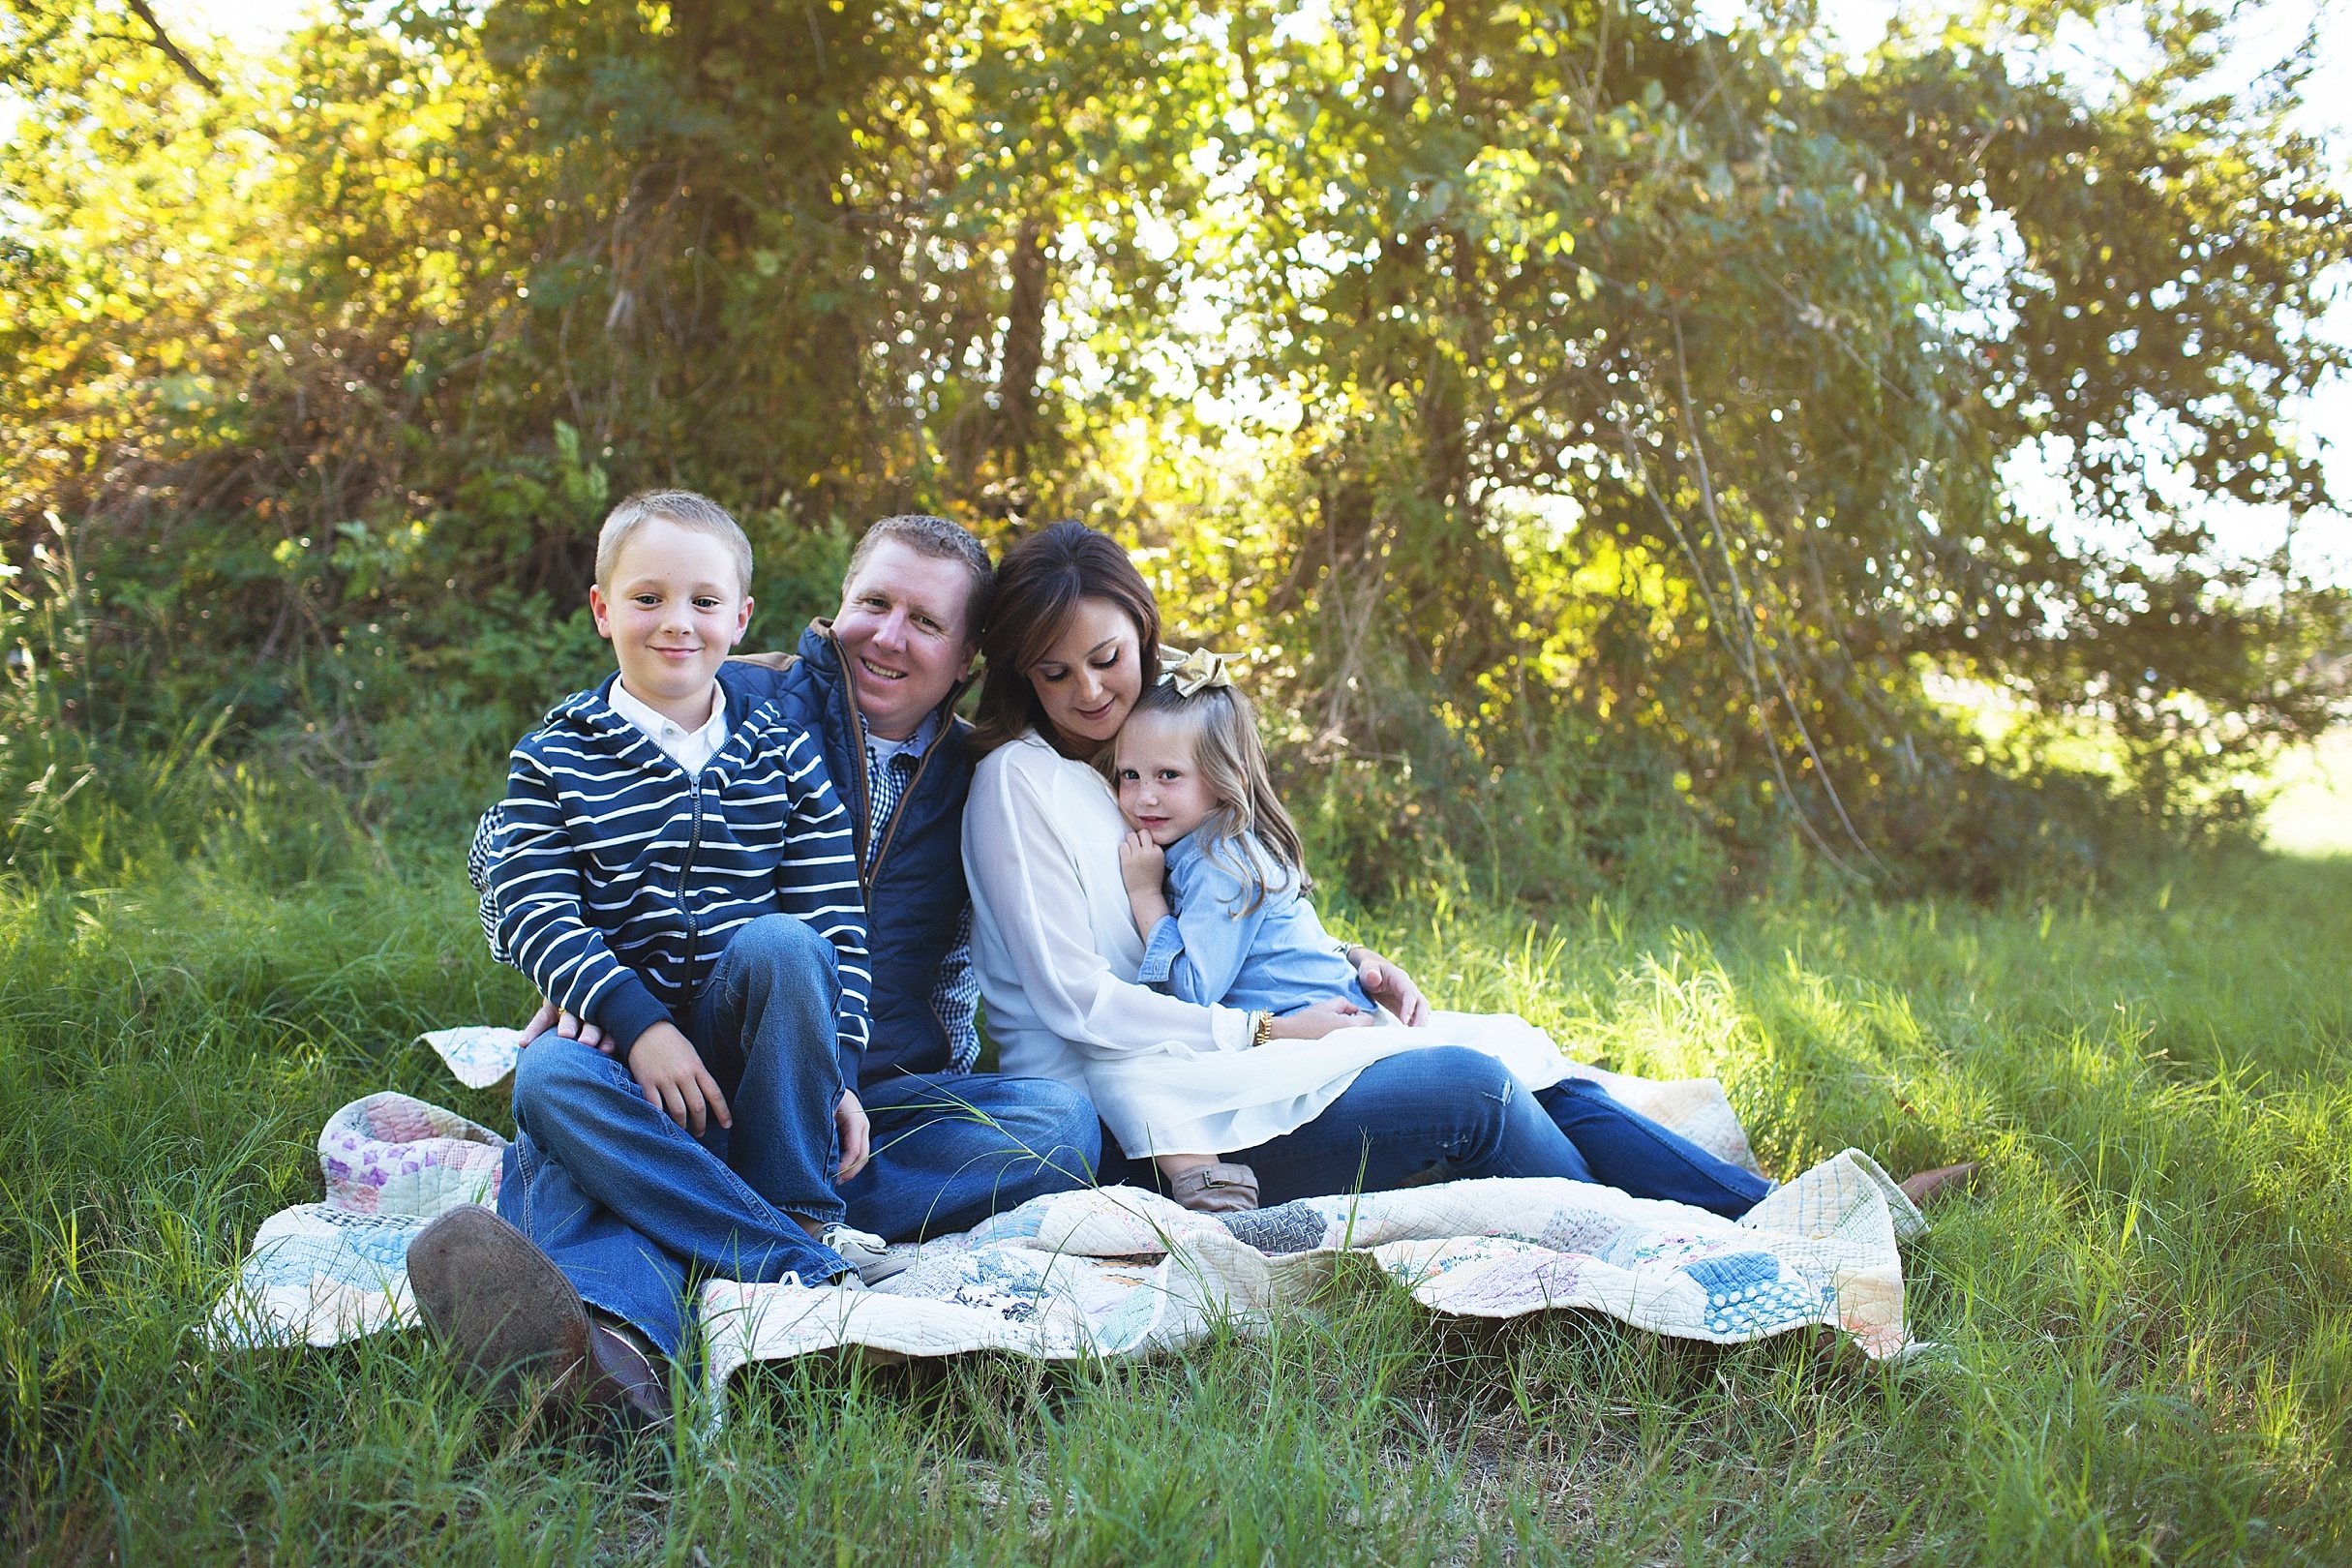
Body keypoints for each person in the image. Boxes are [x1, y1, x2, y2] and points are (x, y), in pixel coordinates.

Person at [958, 521, 1778, 1217]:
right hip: (1145, 1126)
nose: (1090, 691)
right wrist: (1267, 1028)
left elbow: (1218, 909)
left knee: (1530, 1066)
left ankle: (1772, 1212)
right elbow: (1079, 1003)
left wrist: (1340, 961)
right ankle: (1645, 1240)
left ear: (1141, 629)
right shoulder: (1017, 782)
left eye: (1107, 657)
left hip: (1217, 1069)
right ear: (1022, 674)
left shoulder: (1138, 761)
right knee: (1469, 1088)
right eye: (1054, 673)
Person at [492, 514, 1102, 1244]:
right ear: (841, 602)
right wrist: (584, 986)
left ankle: (675, 1199)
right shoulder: (741, 697)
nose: (887, 637)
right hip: (697, 1056)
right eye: (874, 605)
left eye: (925, 622)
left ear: (968, 656)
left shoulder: (988, 776)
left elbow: (972, 964)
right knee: (574, 1068)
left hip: (866, 1096)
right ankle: (779, 1228)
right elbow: (517, 845)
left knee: (1060, 1125)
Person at [410, 490, 882, 1424]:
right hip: (623, 1072)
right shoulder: (554, 756)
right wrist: (638, 1025)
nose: (677, 622)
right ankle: (733, 1301)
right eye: (648, 598)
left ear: (740, 618)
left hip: (755, 1095)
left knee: (784, 944)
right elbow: (535, 903)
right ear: (601, 609)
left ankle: (790, 1213)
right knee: (544, 1078)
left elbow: (835, 921)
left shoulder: (780, 751)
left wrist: (839, 1069)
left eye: (705, 602)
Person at [1103, 649, 1775, 1219]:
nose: (1143, 798)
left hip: (1329, 1042)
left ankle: (1710, 1209)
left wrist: (1143, 897)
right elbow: (1210, 989)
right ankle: (1739, 1206)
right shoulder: (1227, 848)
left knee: (1538, 1075)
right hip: (1309, 1048)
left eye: (1168, 777)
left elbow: (1187, 988)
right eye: (1129, 775)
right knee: (1547, 1082)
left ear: (1223, 783)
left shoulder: (1219, 862)